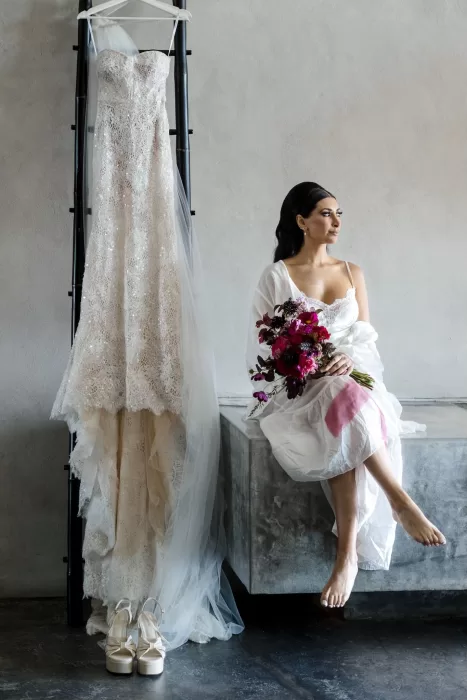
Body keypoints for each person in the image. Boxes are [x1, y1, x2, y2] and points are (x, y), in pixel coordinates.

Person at [245, 182, 446, 609]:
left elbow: (365, 341)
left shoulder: (353, 272)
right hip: (298, 387)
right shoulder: (276, 276)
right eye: (324, 213)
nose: (335, 221)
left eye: (339, 214)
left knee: (346, 401)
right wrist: (311, 362)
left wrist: (346, 364)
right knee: (341, 401)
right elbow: (266, 348)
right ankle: (399, 502)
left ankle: (347, 555)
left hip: (353, 380)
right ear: (301, 221)